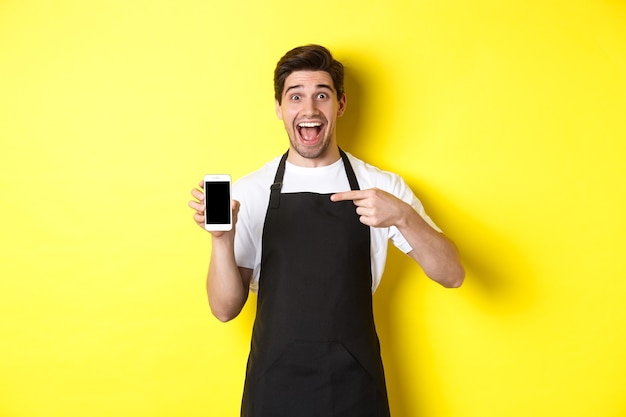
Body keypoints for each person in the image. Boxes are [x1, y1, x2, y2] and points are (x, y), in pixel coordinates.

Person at [189, 44, 464, 417]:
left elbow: (452, 274)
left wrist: (404, 217)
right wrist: (221, 240)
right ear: (279, 108)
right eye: (296, 96)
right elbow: (224, 309)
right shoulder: (251, 192)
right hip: (274, 387)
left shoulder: (379, 186)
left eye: (322, 95)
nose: (310, 109)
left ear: (341, 104)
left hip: (355, 386)